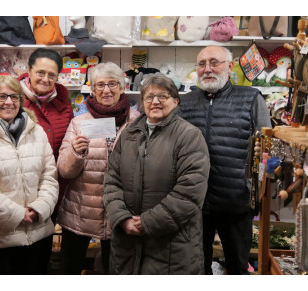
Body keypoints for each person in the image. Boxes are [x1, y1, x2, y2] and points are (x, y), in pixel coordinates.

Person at [179, 45, 272, 275]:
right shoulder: (186, 102)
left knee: (237, 266)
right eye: (202, 64)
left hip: (236, 202)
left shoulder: (250, 98)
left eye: (214, 62)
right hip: (195, 203)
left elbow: (267, 145)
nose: (207, 69)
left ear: (229, 66)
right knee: (196, 266)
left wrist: (258, 190)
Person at [103, 74, 210, 275]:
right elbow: (111, 180)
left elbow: (190, 192)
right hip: (128, 244)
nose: (155, 102)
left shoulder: (189, 135)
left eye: (163, 96)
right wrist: (122, 218)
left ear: (176, 101)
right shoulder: (129, 134)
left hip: (172, 247)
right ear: (142, 102)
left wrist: (148, 222)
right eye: (149, 97)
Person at [56, 62, 140, 274]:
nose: (106, 90)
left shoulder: (137, 123)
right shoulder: (79, 123)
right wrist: (76, 152)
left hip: (120, 212)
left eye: (112, 84)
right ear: (92, 90)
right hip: (80, 210)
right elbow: (65, 171)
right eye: (100, 85)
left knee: (116, 271)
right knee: (70, 269)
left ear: (122, 87)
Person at [0, 75, 58, 274]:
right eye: (1, 96)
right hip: (0, 239)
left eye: (14, 97)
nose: (9, 102)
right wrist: (16, 214)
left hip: (39, 234)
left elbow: (49, 176)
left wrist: (38, 209)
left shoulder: (37, 131)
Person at [18, 48, 73, 221]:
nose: (45, 79)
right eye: (40, 72)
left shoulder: (64, 104)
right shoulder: (12, 101)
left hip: (53, 189)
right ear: (29, 70)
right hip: (19, 189)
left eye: (52, 75)